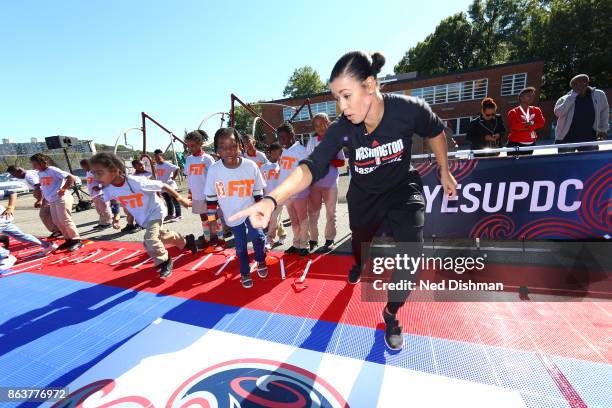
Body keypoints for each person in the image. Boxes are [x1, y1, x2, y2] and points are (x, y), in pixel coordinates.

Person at [230, 51, 457, 350]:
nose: (342, 106)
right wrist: (272, 200)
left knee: (412, 252)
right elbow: (310, 167)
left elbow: (436, 132)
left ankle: (391, 312)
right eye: (337, 98)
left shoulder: (408, 109)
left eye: (347, 96)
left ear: (371, 85)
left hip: (402, 186)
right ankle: (360, 262)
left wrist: (444, 170)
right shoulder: (342, 128)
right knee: (362, 244)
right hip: (364, 195)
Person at [89, 152, 197, 278]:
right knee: (160, 236)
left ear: (114, 170)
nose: (96, 177)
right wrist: (116, 217)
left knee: (149, 240)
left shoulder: (136, 181)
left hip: (155, 211)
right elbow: (113, 201)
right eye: (94, 173)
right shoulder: (109, 189)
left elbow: (163, 185)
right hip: (143, 218)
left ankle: (164, 261)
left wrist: (180, 198)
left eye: (99, 173)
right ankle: (185, 241)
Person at [203, 128, 268, 288]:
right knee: (240, 247)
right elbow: (211, 199)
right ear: (217, 150)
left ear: (240, 146)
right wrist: (212, 220)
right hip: (231, 215)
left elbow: (257, 190)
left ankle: (260, 260)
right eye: (222, 147)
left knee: (258, 237)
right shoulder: (214, 170)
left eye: (232, 146)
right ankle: (245, 272)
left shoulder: (250, 166)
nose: (228, 151)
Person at [305, 113, 345, 252]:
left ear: (328, 123)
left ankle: (329, 239)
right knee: (313, 213)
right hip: (315, 184)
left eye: (323, 123)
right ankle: (313, 240)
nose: (320, 127)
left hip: (330, 184)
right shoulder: (312, 141)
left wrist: (328, 159)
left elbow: (341, 162)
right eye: (316, 125)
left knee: (330, 214)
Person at [29, 153, 83, 252]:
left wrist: (63, 189)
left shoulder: (52, 170)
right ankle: (68, 240)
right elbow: (45, 188)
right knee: (57, 221)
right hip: (52, 200)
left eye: (35, 164)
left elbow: (71, 177)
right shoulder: (40, 173)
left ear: (42, 162)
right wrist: (41, 200)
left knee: (65, 219)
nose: (33, 166)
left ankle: (76, 240)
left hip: (61, 198)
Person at [0, 189, 58, 270]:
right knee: (22, 236)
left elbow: (12, 193)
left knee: (21, 236)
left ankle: (6, 256)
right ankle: (48, 245)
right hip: (4, 220)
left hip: (2, 219)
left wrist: (10, 207)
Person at [183, 129, 222, 248]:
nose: (190, 148)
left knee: (213, 217)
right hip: (196, 195)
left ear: (200, 143)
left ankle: (220, 238)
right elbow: (189, 177)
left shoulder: (207, 158)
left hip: (208, 195)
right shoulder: (188, 159)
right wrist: (190, 194)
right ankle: (207, 238)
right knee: (203, 217)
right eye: (188, 146)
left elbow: (214, 176)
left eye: (193, 146)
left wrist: (215, 194)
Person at [277, 123, 310, 256]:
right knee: (294, 220)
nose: (280, 141)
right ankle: (296, 244)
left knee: (302, 219)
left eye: (283, 137)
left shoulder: (301, 150)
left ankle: (304, 245)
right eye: (279, 138)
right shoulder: (284, 151)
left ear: (291, 136)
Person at [554, 74, 610, 153]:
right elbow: (558, 113)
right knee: (566, 164)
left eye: (583, 82)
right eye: (576, 84)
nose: (580, 85)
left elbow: (604, 111)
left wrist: (603, 129)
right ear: (572, 86)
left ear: (587, 83)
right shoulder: (564, 99)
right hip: (566, 139)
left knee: (590, 163)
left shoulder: (599, 95)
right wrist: (572, 96)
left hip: (589, 138)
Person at [7, 165, 60, 238]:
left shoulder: (29, 176)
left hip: (48, 194)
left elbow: (39, 187)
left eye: (14, 174)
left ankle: (57, 230)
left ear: (19, 171)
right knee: (52, 213)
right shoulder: (28, 174)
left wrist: (39, 200)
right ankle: (59, 229)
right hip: (50, 193)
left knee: (44, 214)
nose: (14, 176)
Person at [260, 142, 286, 249]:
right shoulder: (264, 167)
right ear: (270, 153)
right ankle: (283, 234)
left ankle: (269, 239)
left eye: (279, 153)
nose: (277, 155)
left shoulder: (283, 166)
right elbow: (261, 182)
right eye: (274, 152)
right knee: (273, 219)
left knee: (274, 218)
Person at [506, 87, 545, 156]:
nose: (532, 98)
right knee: (513, 165)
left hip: (531, 142)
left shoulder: (536, 110)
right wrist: (531, 124)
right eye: (529, 96)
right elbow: (515, 127)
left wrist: (525, 126)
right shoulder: (513, 112)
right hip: (515, 143)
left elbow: (541, 123)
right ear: (521, 97)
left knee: (526, 164)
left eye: (533, 96)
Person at [80, 159, 112, 229]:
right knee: (99, 210)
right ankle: (102, 223)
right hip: (94, 194)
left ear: (88, 164)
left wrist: (99, 187)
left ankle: (108, 223)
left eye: (83, 166)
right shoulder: (88, 172)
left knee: (104, 208)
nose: (83, 168)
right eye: (82, 166)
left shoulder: (95, 172)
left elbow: (105, 180)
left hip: (100, 194)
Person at [153, 149, 182, 221]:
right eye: (156, 158)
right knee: (168, 201)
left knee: (175, 200)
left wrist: (173, 178)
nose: (157, 159)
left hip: (170, 186)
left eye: (158, 158)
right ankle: (170, 214)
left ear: (162, 157)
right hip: (162, 187)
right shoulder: (156, 165)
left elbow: (177, 168)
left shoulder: (167, 164)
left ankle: (179, 215)